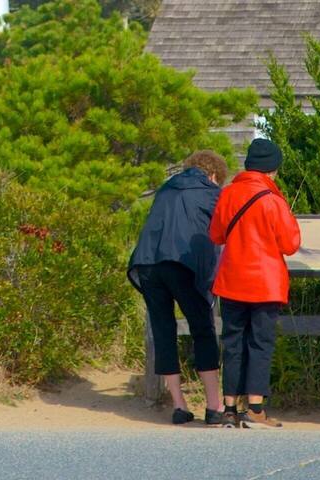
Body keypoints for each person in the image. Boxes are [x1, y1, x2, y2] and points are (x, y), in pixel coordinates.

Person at [128, 151, 229, 426]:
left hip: (148, 263)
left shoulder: (166, 188)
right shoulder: (210, 192)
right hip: (181, 263)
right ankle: (214, 405)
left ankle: (179, 405)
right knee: (202, 328)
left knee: (163, 330)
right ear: (213, 175)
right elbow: (220, 231)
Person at [208, 138, 302, 428]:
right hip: (265, 282)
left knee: (232, 343)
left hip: (232, 280)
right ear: (272, 170)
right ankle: (256, 409)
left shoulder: (227, 194)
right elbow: (290, 244)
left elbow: (216, 236)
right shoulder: (273, 201)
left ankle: (229, 409)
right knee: (260, 344)